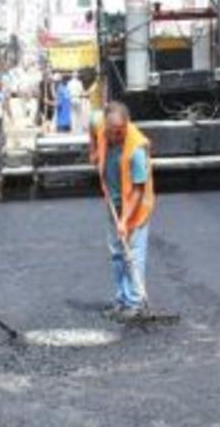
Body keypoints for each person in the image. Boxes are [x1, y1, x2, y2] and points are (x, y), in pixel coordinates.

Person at [96, 101, 156, 321]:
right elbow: (92, 125)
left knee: (133, 256)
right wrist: (93, 152)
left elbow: (139, 190)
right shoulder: (101, 128)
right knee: (117, 255)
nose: (117, 137)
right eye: (113, 133)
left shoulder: (137, 148)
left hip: (137, 207)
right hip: (115, 202)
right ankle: (122, 300)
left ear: (127, 125)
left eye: (121, 132)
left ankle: (136, 303)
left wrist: (125, 220)